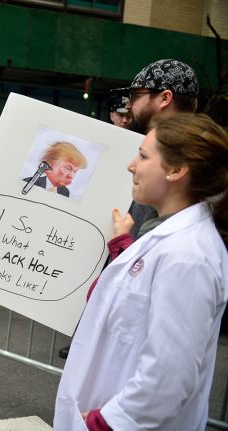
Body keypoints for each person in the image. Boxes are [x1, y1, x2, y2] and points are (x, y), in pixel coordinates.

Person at [54, 113, 228, 431]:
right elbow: (135, 300)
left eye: (144, 156)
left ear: (176, 170)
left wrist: (102, 423)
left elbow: (167, 377)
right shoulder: (170, 238)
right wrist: (121, 247)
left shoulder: (188, 257)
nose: (131, 165)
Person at [113, 58, 200, 239]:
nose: (129, 104)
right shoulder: (180, 150)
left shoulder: (193, 159)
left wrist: (122, 247)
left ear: (165, 98)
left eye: (136, 95)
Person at [22, 141, 87, 197]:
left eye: (75, 171)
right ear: (50, 165)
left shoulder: (65, 192)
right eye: (68, 168)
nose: (71, 176)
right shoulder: (27, 182)